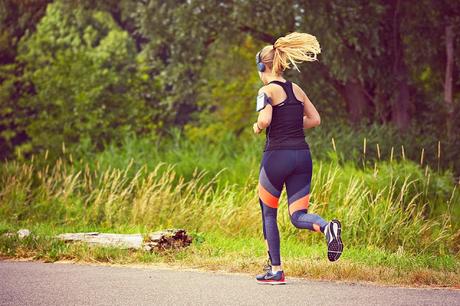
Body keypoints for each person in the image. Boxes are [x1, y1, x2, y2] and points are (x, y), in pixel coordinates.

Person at [253, 32, 343, 285]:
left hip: (276, 158)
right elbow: (315, 120)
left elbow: (266, 119)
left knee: (268, 213)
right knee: (298, 215)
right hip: (302, 157)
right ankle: (327, 227)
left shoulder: (266, 90)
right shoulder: (297, 89)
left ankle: (277, 270)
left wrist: (258, 127)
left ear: (262, 66)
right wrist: (291, 124)